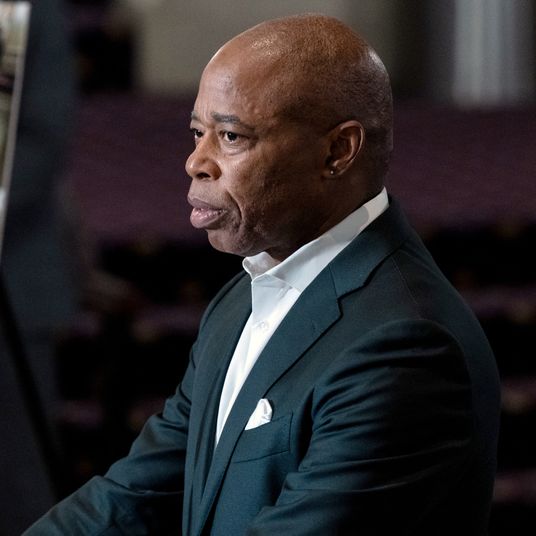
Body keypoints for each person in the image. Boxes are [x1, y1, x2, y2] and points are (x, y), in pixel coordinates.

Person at [24, 13, 500, 535]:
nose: (196, 162)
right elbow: (135, 495)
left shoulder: (404, 346)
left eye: (231, 136)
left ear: (337, 151)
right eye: (197, 132)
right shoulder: (241, 298)